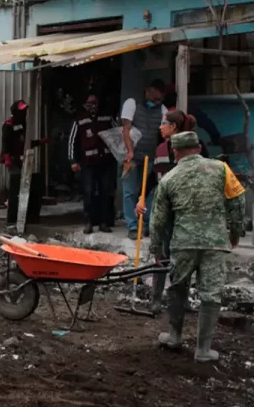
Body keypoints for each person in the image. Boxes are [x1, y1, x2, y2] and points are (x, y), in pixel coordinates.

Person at [150, 131, 245, 363]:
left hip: (183, 243)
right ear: (199, 148)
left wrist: (156, 248)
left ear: (175, 152)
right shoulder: (222, 169)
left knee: (178, 289)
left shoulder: (169, 178)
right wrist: (234, 233)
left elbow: (158, 220)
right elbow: (238, 201)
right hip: (215, 243)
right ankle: (203, 349)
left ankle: (174, 336)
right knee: (211, 294)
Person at [139, 110, 209, 314]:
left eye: (164, 123)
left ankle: (182, 300)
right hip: (163, 209)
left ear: (174, 127)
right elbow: (154, 177)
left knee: (183, 257)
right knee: (160, 254)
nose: (160, 127)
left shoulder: (197, 147)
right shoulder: (160, 148)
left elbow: (209, 171)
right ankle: (156, 300)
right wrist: (141, 197)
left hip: (186, 211)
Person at [121, 79, 167, 238]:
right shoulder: (132, 104)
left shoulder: (162, 109)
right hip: (132, 157)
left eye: (159, 97)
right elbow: (125, 129)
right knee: (129, 191)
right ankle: (132, 226)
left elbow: (165, 133)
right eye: (155, 95)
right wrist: (129, 151)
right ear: (148, 90)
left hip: (151, 157)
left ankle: (145, 223)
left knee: (148, 192)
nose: (157, 100)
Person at [68, 94, 113, 234]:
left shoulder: (107, 117)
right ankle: (88, 222)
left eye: (95, 102)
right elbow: (71, 141)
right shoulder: (79, 119)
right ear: (85, 104)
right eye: (90, 103)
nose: (93, 105)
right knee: (88, 192)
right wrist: (73, 161)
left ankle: (104, 222)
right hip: (87, 163)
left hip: (105, 161)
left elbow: (117, 136)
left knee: (105, 192)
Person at [0, 100, 48, 226]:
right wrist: (7, 158)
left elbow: (25, 142)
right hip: (12, 158)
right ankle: (12, 205)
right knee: (16, 182)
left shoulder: (23, 123)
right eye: (21, 111)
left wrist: (39, 142)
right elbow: (5, 143)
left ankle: (23, 209)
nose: (24, 113)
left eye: (25, 111)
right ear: (15, 111)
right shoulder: (8, 125)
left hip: (22, 158)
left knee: (24, 181)